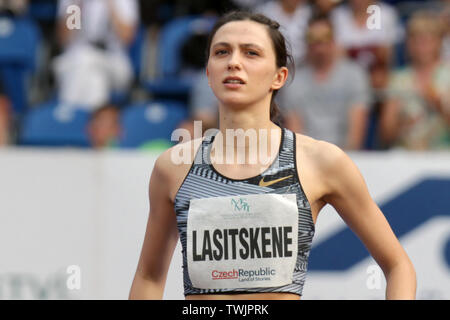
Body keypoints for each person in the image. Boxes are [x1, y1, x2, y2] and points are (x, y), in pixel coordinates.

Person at [129, 11, 416, 300]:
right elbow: (149, 277)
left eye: (251, 53)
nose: (233, 62)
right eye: (221, 52)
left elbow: (398, 265)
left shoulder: (320, 161)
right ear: (208, 73)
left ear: (279, 76)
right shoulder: (174, 167)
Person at [279, 15, 371, 150]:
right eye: (313, 39)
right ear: (306, 42)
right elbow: (295, 135)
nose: (319, 46)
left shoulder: (355, 75)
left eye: (324, 38)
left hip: (347, 157)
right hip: (306, 158)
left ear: (334, 40)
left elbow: (355, 136)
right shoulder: (293, 80)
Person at [379, 11, 450, 150]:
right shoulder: (398, 79)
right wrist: (401, 124)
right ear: (409, 44)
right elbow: (386, 134)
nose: (422, 47)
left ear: (439, 42)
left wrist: (440, 107)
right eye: (417, 40)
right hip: (406, 155)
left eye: (427, 40)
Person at [53, 0, 139, 110]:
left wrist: (110, 4)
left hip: (113, 59)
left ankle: (69, 115)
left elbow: (127, 38)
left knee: (85, 60)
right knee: (93, 75)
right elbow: (63, 39)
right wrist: (77, 6)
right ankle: (92, 119)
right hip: (76, 59)